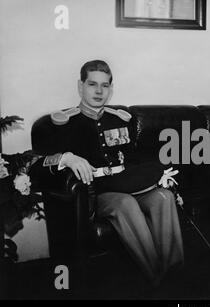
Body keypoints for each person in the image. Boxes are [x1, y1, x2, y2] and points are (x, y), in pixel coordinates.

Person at [38, 60, 184, 287]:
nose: (99, 91)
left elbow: (134, 158)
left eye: (105, 86)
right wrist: (67, 157)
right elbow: (37, 165)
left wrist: (158, 176)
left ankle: (174, 272)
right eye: (92, 84)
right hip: (97, 193)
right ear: (80, 86)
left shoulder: (120, 119)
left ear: (110, 88)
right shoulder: (63, 122)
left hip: (126, 184)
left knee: (162, 197)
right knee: (124, 203)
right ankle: (156, 278)